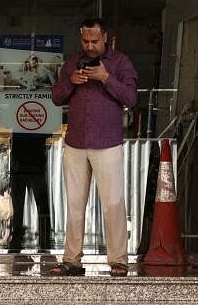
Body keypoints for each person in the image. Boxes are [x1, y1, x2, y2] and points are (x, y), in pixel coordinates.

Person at [49, 18, 138, 277]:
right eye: (86, 41)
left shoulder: (120, 63)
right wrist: (70, 82)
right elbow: (56, 97)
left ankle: (119, 260)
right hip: (76, 142)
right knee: (75, 204)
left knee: (113, 203)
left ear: (105, 37)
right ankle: (71, 260)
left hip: (107, 143)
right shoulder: (71, 62)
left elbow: (131, 98)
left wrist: (105, 77)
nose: (90, 46)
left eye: (95, 41)